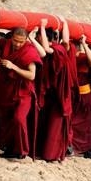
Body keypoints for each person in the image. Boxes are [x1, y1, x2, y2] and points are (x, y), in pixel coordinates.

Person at [0, 27, 42, 159]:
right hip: (7, 90)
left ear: (26, 40)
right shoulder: (6, 43)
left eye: (21, 42)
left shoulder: (29, 51)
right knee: (7, 121)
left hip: (23, 92)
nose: (18, 44)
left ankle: (22, 151)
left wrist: (13, 67)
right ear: (12, 37)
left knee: (19, 119)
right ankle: (10, 149)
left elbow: (32, 75)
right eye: (15, 40)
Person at [36, 19, 75, 162]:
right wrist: (64, 24)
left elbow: (47, 49)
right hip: (52, 94)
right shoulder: (62, 48)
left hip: (61, 95)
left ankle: (52, 153)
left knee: (55, 124)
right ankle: (46, 150)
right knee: (46, 123)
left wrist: (41, 26)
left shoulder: (59, 50)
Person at [70, 35, 91, 157]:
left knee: (84, 123)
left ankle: (82, 149)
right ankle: (71, 145)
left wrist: (85, 44)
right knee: (73, 121)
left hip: (84, 94)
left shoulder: (82, 57)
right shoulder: (68, 58)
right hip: (73, 95)